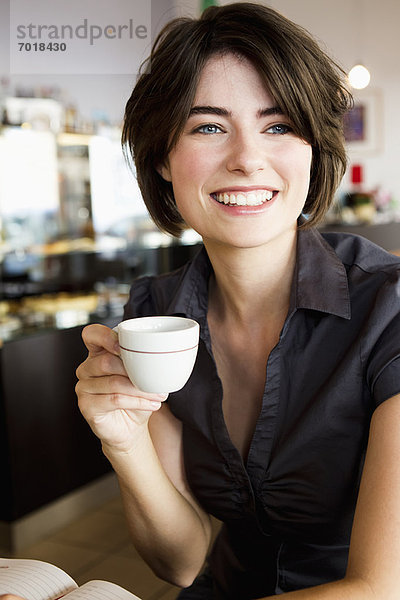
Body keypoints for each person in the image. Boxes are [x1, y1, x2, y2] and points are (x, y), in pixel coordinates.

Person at [75, 3, 400, 599]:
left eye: (278, 126)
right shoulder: (155, 314)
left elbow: (380, 588)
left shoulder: (389, 310)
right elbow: (181, 560)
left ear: (313, 151)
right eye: (208, 126)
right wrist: (123, 440)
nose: (247, 157)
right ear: (162, 159)